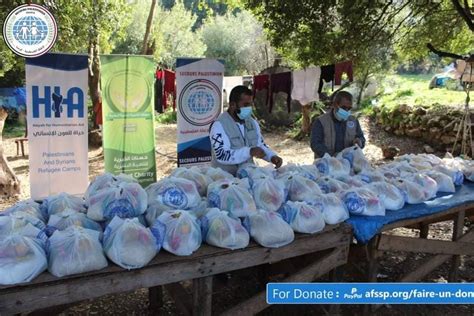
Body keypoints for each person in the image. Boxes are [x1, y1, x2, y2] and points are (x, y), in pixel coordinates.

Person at [209, 85, 283, 175]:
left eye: (250, 104)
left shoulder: (252, 122)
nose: (249, 108)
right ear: (232, 105)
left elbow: (259, 145)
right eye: (245, 105)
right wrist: (249, 152)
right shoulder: (219, 125)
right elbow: (222, 155)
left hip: (247, 175)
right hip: (224, 180)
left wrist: (271, 156)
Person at [310, 91, 365, 158]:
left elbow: (361, 138)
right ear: (335, 105)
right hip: (326, 163)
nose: (346, 111)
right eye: (344, 108)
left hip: (347, 163)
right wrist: (332, 156)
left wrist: (359, 141)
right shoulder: (320, 121)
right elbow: (315, 144)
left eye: (349, 108)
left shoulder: (353, 121)